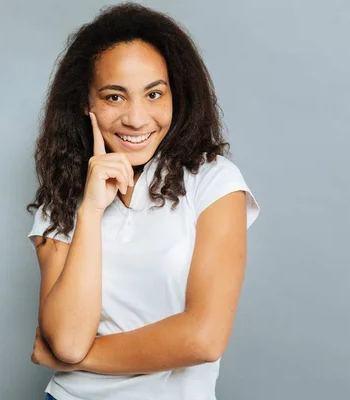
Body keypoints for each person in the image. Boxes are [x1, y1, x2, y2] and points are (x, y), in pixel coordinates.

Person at [26, 3, 260, 399]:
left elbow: (203, 339)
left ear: (176, 95)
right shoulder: (64, 197)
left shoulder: (214, 182)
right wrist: (91, 209)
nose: (137, 118)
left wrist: (81, 358)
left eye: (154, 94)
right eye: (115, 97)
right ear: (88, 104)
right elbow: (66, 339)